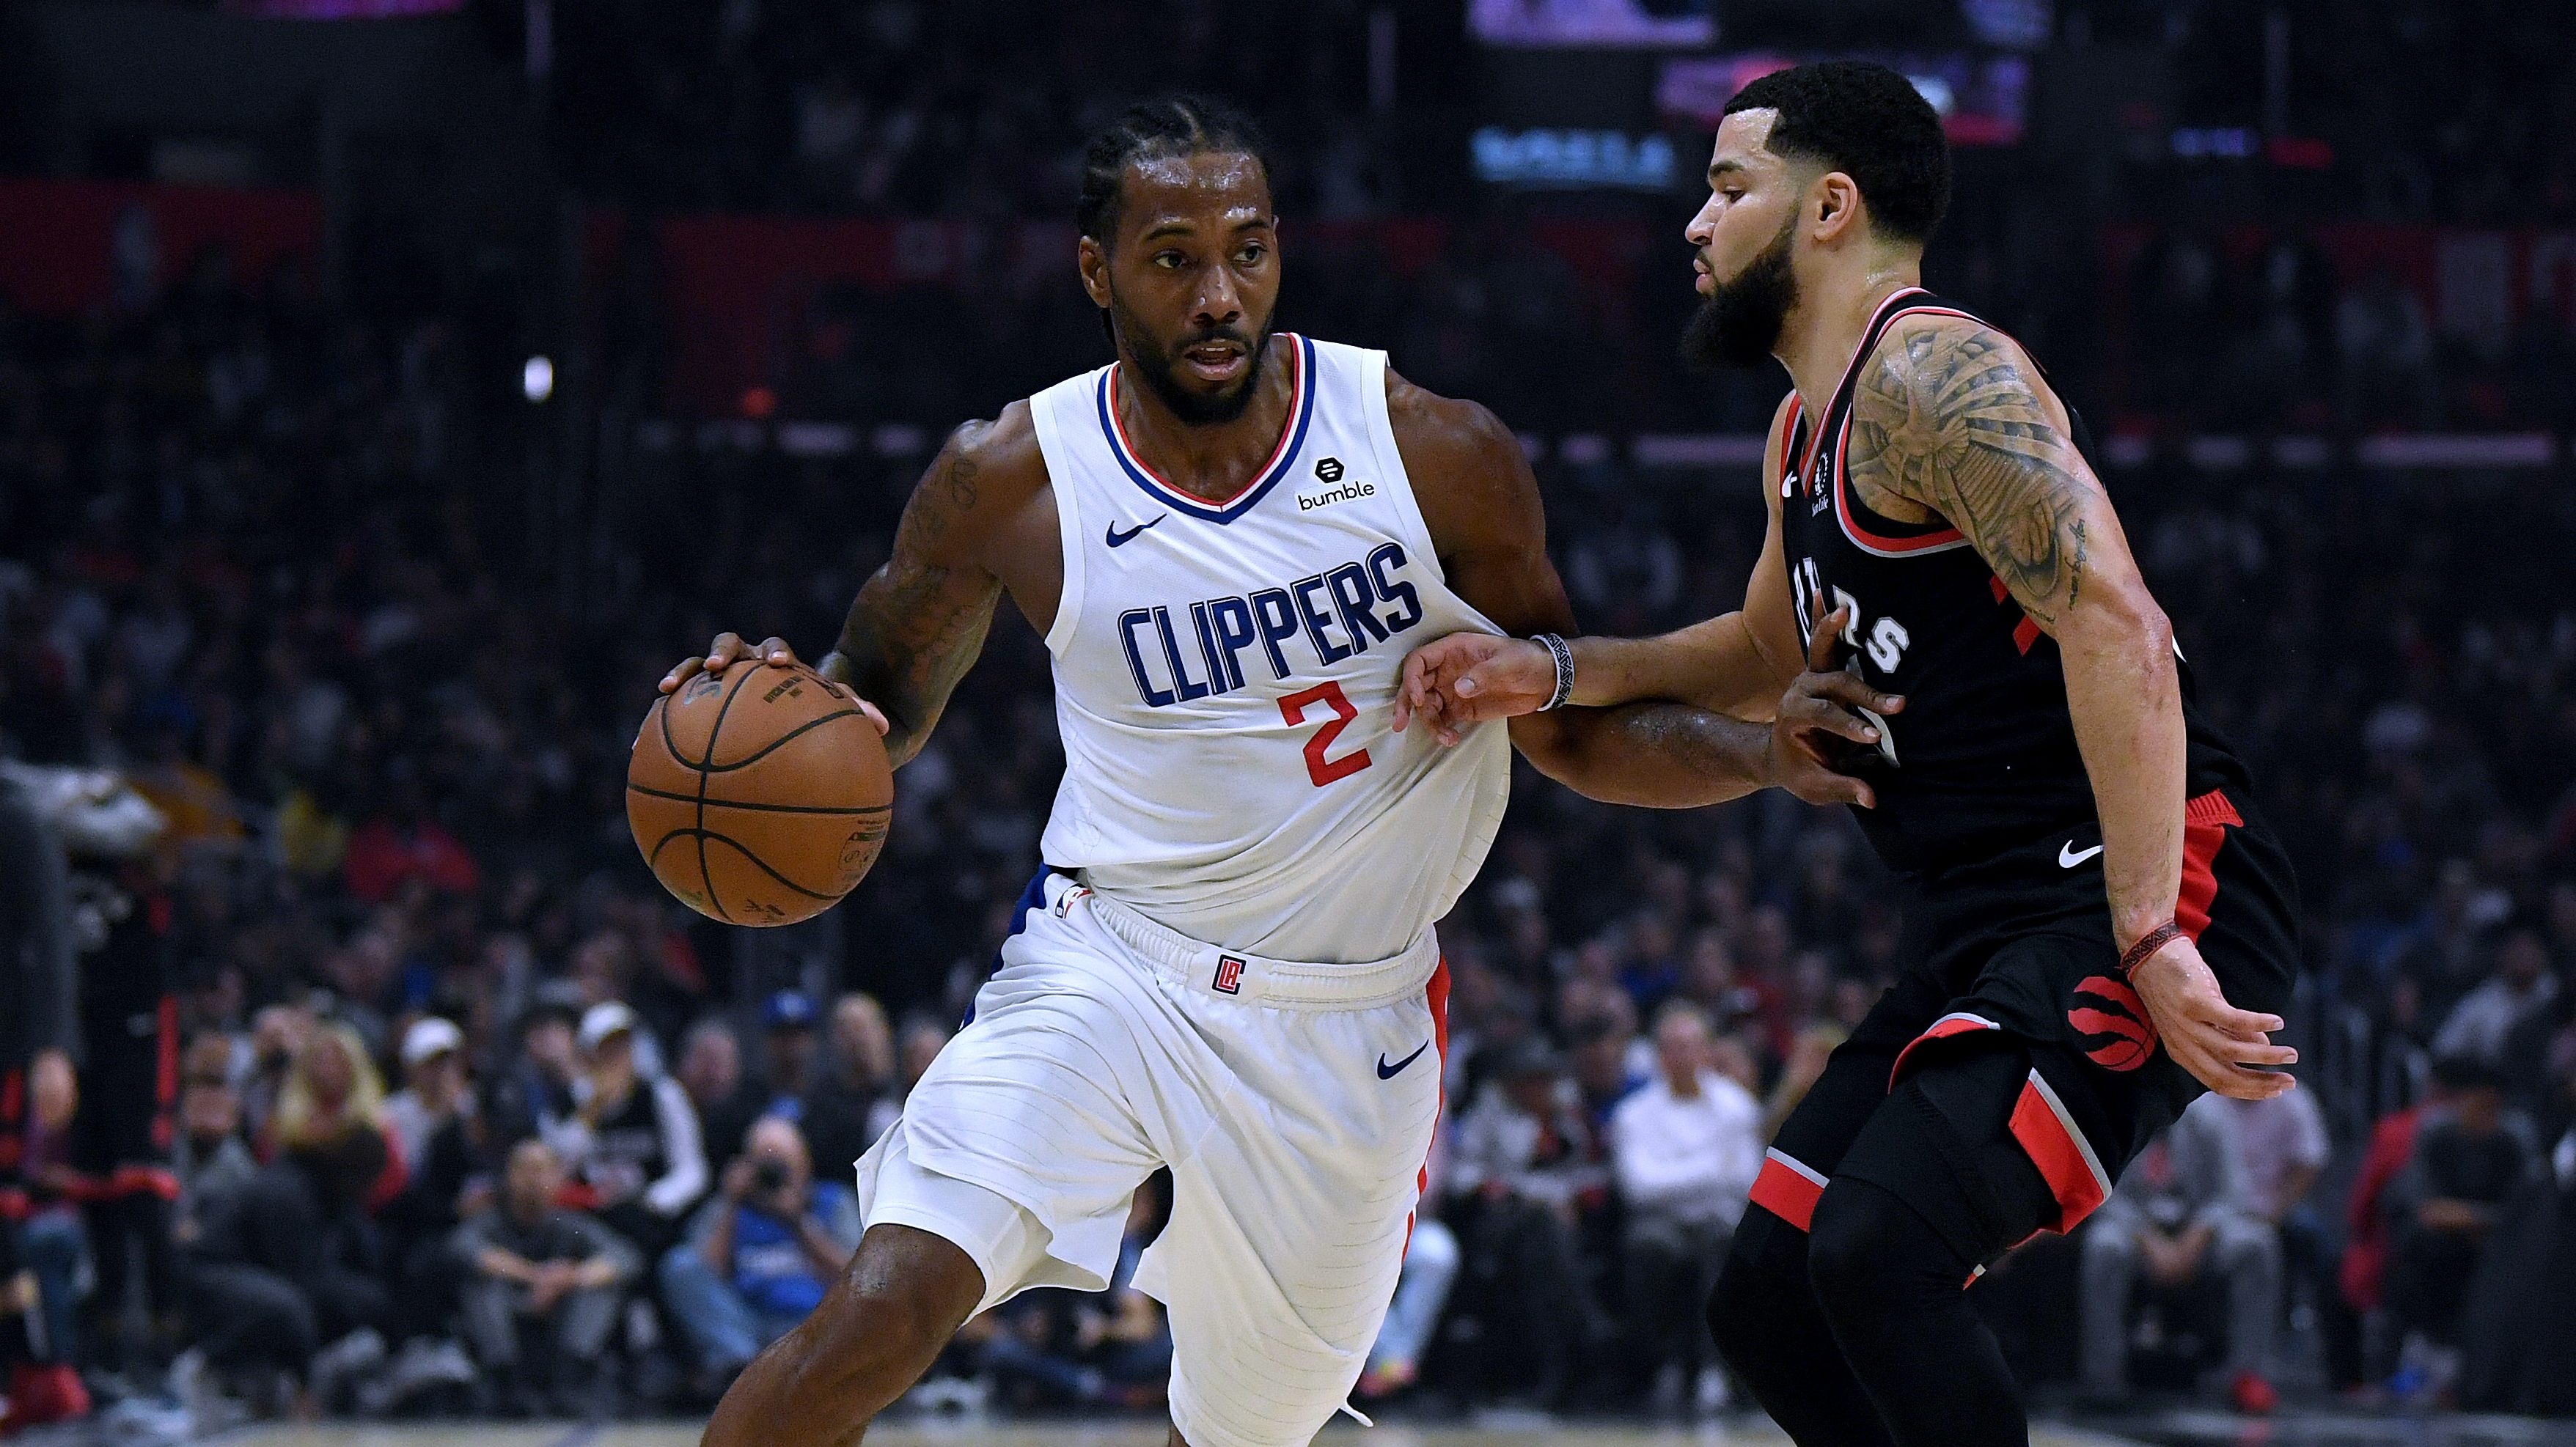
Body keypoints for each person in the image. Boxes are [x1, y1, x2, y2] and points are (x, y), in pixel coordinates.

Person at [669, 94, 1864, 1447]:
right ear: (1095, 272)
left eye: (1245, 248)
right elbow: (871, 699)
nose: (1218, 291)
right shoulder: (1010, 478)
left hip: (1345, 1021)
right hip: (1108, 969)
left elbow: (1572, 723)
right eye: (1171, 257)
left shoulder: (1434, 450)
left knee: (1241, 1434)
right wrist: (780, 706)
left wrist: (1764, 753)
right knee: (878, 1311)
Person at [1395, 59, 2303, 1445]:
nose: (1693, 226)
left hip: (2141, 876)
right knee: (1768, 1292)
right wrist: (1563, 670)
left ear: (1825, 207)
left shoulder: (1939, 372)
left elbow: (2116, 619)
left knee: (1877, 1253)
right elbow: (1763, 648)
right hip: (1987, 910)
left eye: (1723, 187)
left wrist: (2146, 929)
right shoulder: (1802, 428)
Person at [2079, 1094, 2280, 1410]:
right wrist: (2149, 1241)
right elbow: (2104, 1193)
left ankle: (2247, 1375)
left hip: (2200, 1230)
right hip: (2138, 1229)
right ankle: (2105, 1375)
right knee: (2103, 1246)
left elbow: (2232, 1192)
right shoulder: (2117, 1107)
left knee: (2256, 1244)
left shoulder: (2212, 1113)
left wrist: (2195, 1238)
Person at [1611, 1001, 1762, 1415]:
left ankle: (1716, 1369)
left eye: (1692, 1046)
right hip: (1660, 1225)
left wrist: (1675, 1173)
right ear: (1660, 1054)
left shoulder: (1737, 1106)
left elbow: (1746, 1180)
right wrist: (1712, 1168)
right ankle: (1667, 1363)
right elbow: (1639, 1188)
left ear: (1708, 1052)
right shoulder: (1634, 1113)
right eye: (1673, 1047)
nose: (1683, 1057)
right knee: (1651, 1247)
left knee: (1724, 1242)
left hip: (1720, 1222)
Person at [659, 1116, 865, 1388]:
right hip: (747, 1325)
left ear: (805, 1163)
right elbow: (704, 1275)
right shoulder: (731, 1208)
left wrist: (798, 1222)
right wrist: (731, 1203)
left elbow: (856, 1276)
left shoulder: (834, 1201)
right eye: (766, 1164)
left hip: (815, 1325)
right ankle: (741, 1366)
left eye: (784, 1163)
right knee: (679, 1264)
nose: (774, 1175)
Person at [452, 1138, 639, 1416]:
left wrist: (571, 1277)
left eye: (542, 1170)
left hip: (562, 1323)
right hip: (509, 1315)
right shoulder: (490, 1222)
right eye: (525, 1170)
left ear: (558, 1177)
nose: (534, 1179)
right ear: (509, 1176)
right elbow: (466, 1250)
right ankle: (506, 1386)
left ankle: (571, 1382)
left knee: (603, 1288)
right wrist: (537, 1276)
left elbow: (624, 1257)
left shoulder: (571, 1225)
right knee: (480, 1284)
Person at [546, 1002, 706, 1261]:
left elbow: (692, 1171)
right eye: (606, 1049)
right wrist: (592, 1111)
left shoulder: (662, 1095)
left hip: (649, 1217)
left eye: (622, 1046)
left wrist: (653, 1201)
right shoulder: (571, 1102)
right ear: (588, 1056)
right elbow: (556, 1172)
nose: (617, 1057)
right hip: (588, 1218)